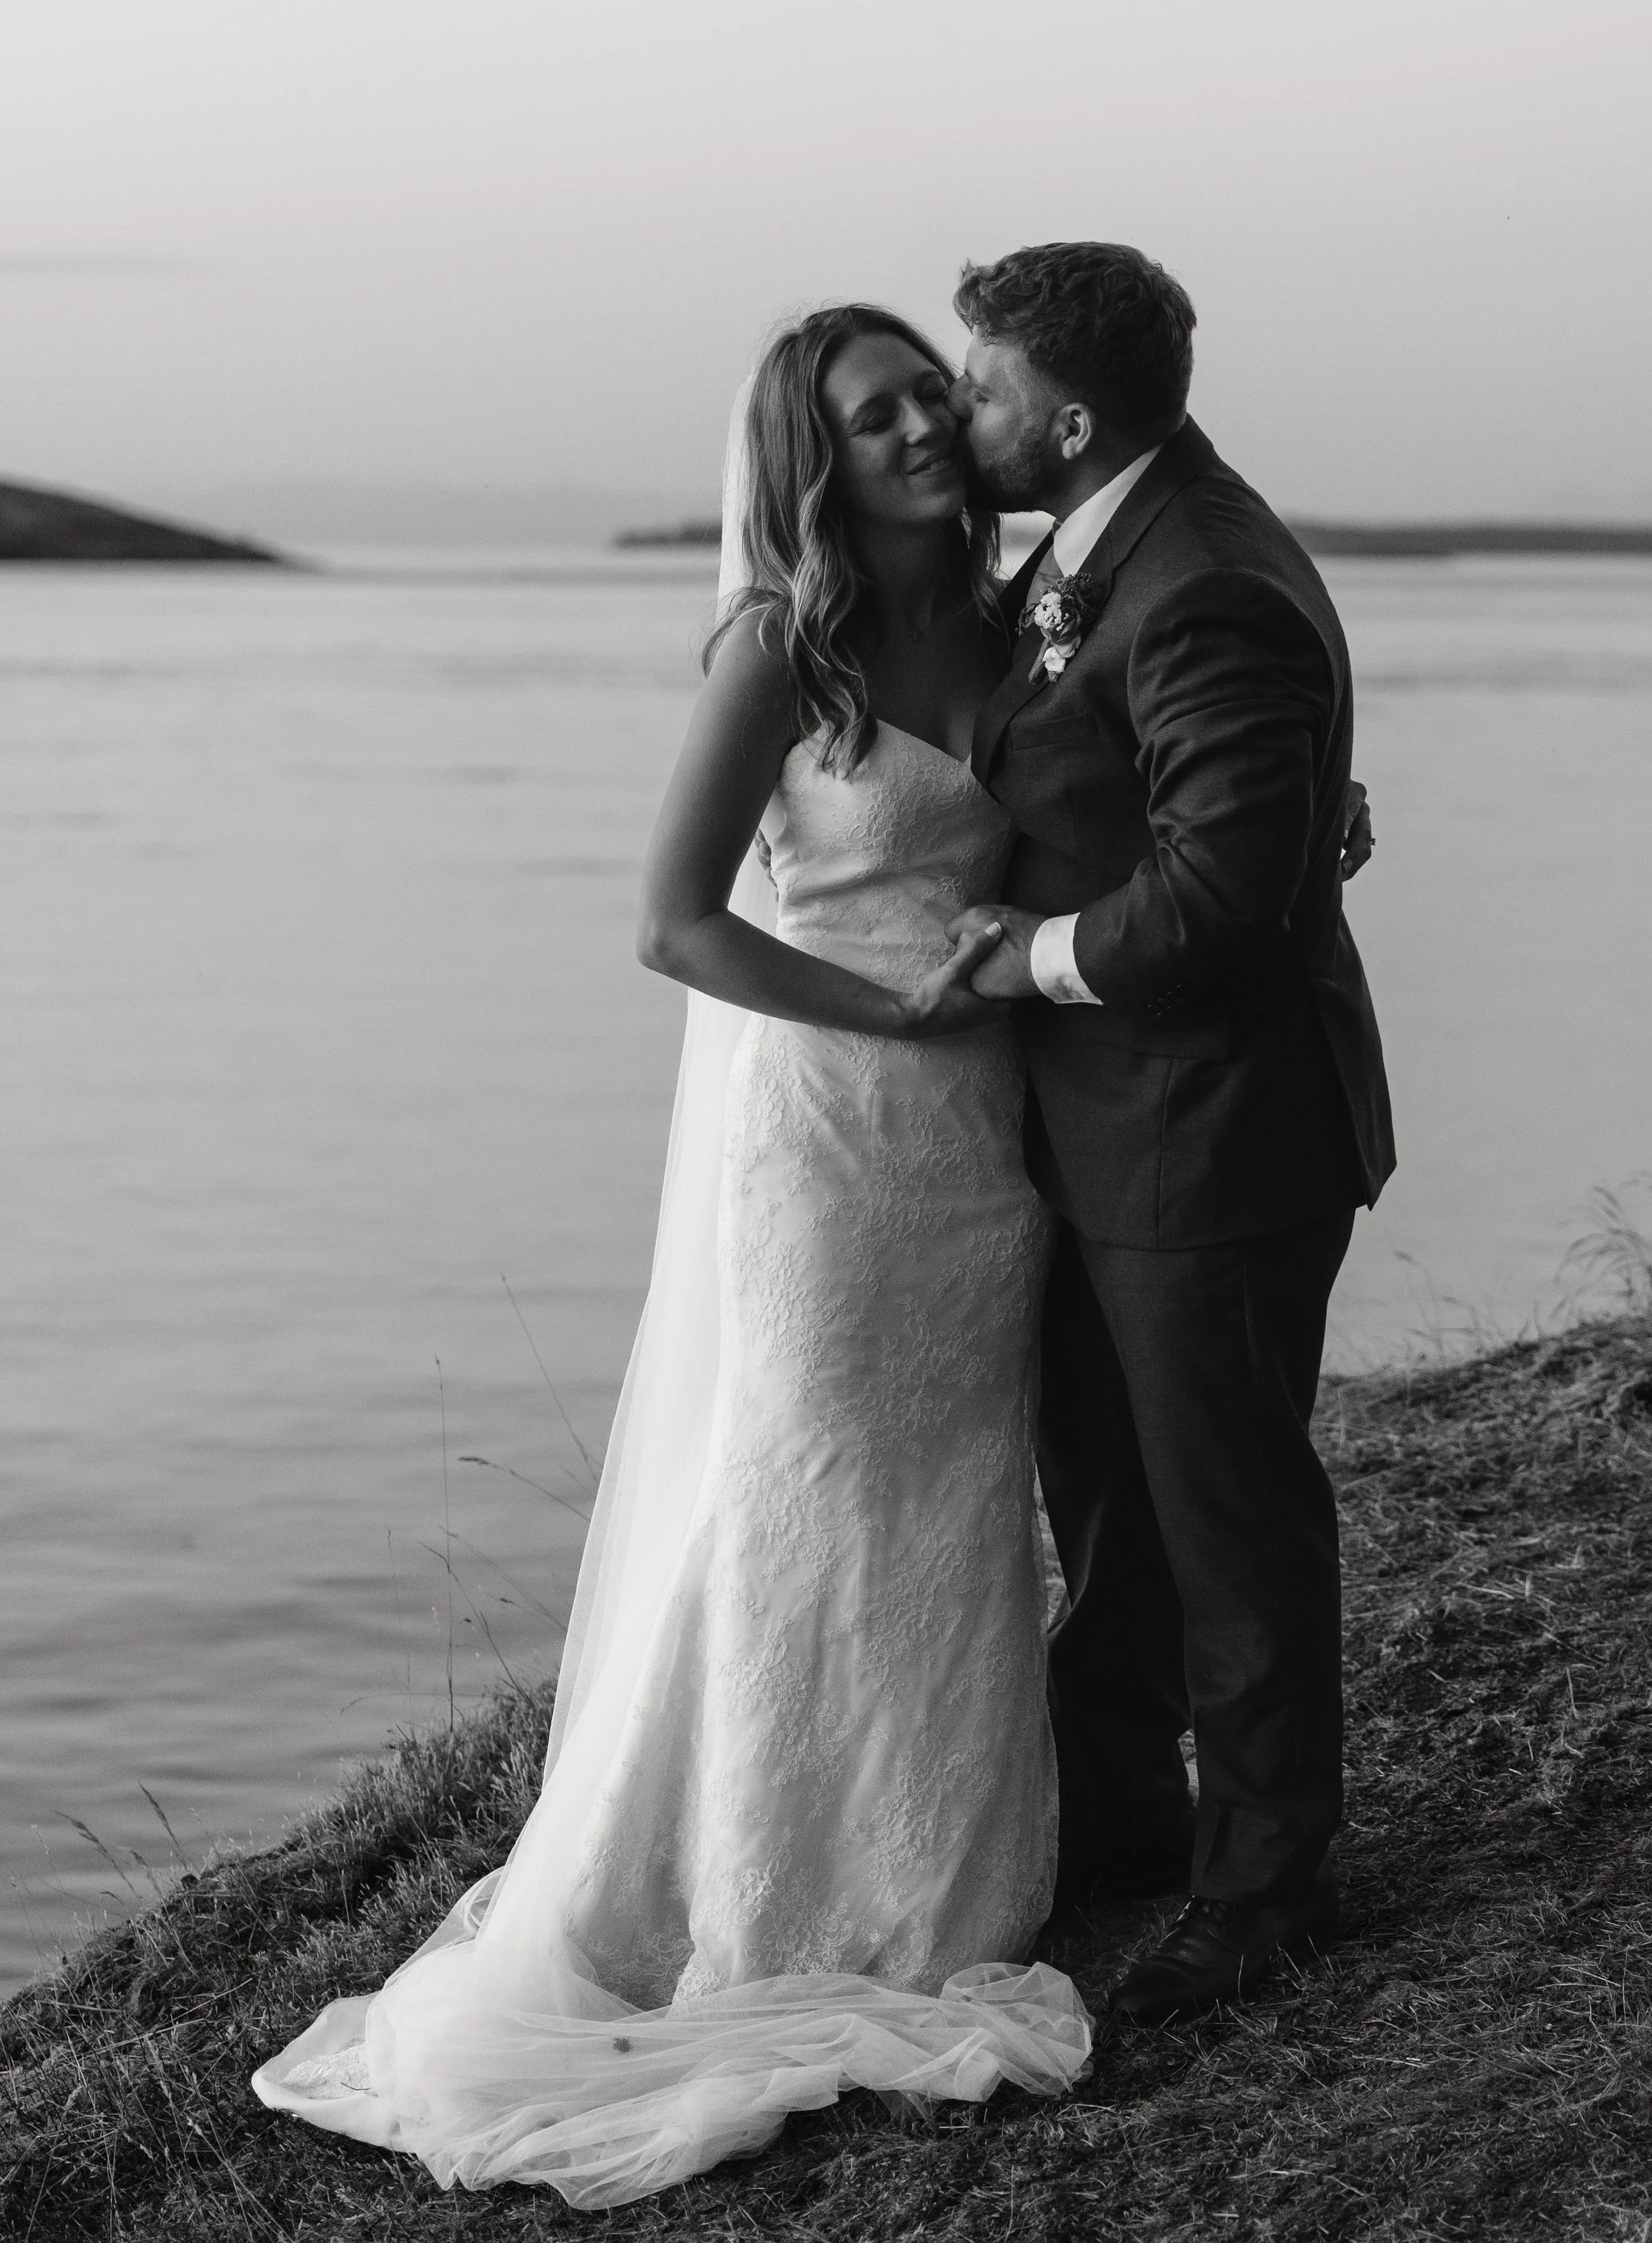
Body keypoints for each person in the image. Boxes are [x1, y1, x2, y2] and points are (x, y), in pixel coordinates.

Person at [251, 304, 1092, 2213]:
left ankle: (937, 1876)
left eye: (925, 403)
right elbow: (669, 926)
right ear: (807, 458)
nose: (917, 437)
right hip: (825, 1138)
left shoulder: (1017, 612)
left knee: (950, 1495)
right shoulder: (772, 658)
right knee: (795, 1494)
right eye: (872, 419)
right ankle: (750, 1892)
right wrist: (892, 1017)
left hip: (983, 1154)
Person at [944, 241, 1395, 2022]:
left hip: (1213, 1138)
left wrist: (1026, 957)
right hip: (1104, 1131)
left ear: (1059, 418)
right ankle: (1127, 1819)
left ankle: (1268, 1889)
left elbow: (1218, 893)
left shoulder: (1199, 578)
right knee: (1113, 1504)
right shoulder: (1092, 548)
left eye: (976, 389)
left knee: (1227, 1524)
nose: (957, 411)